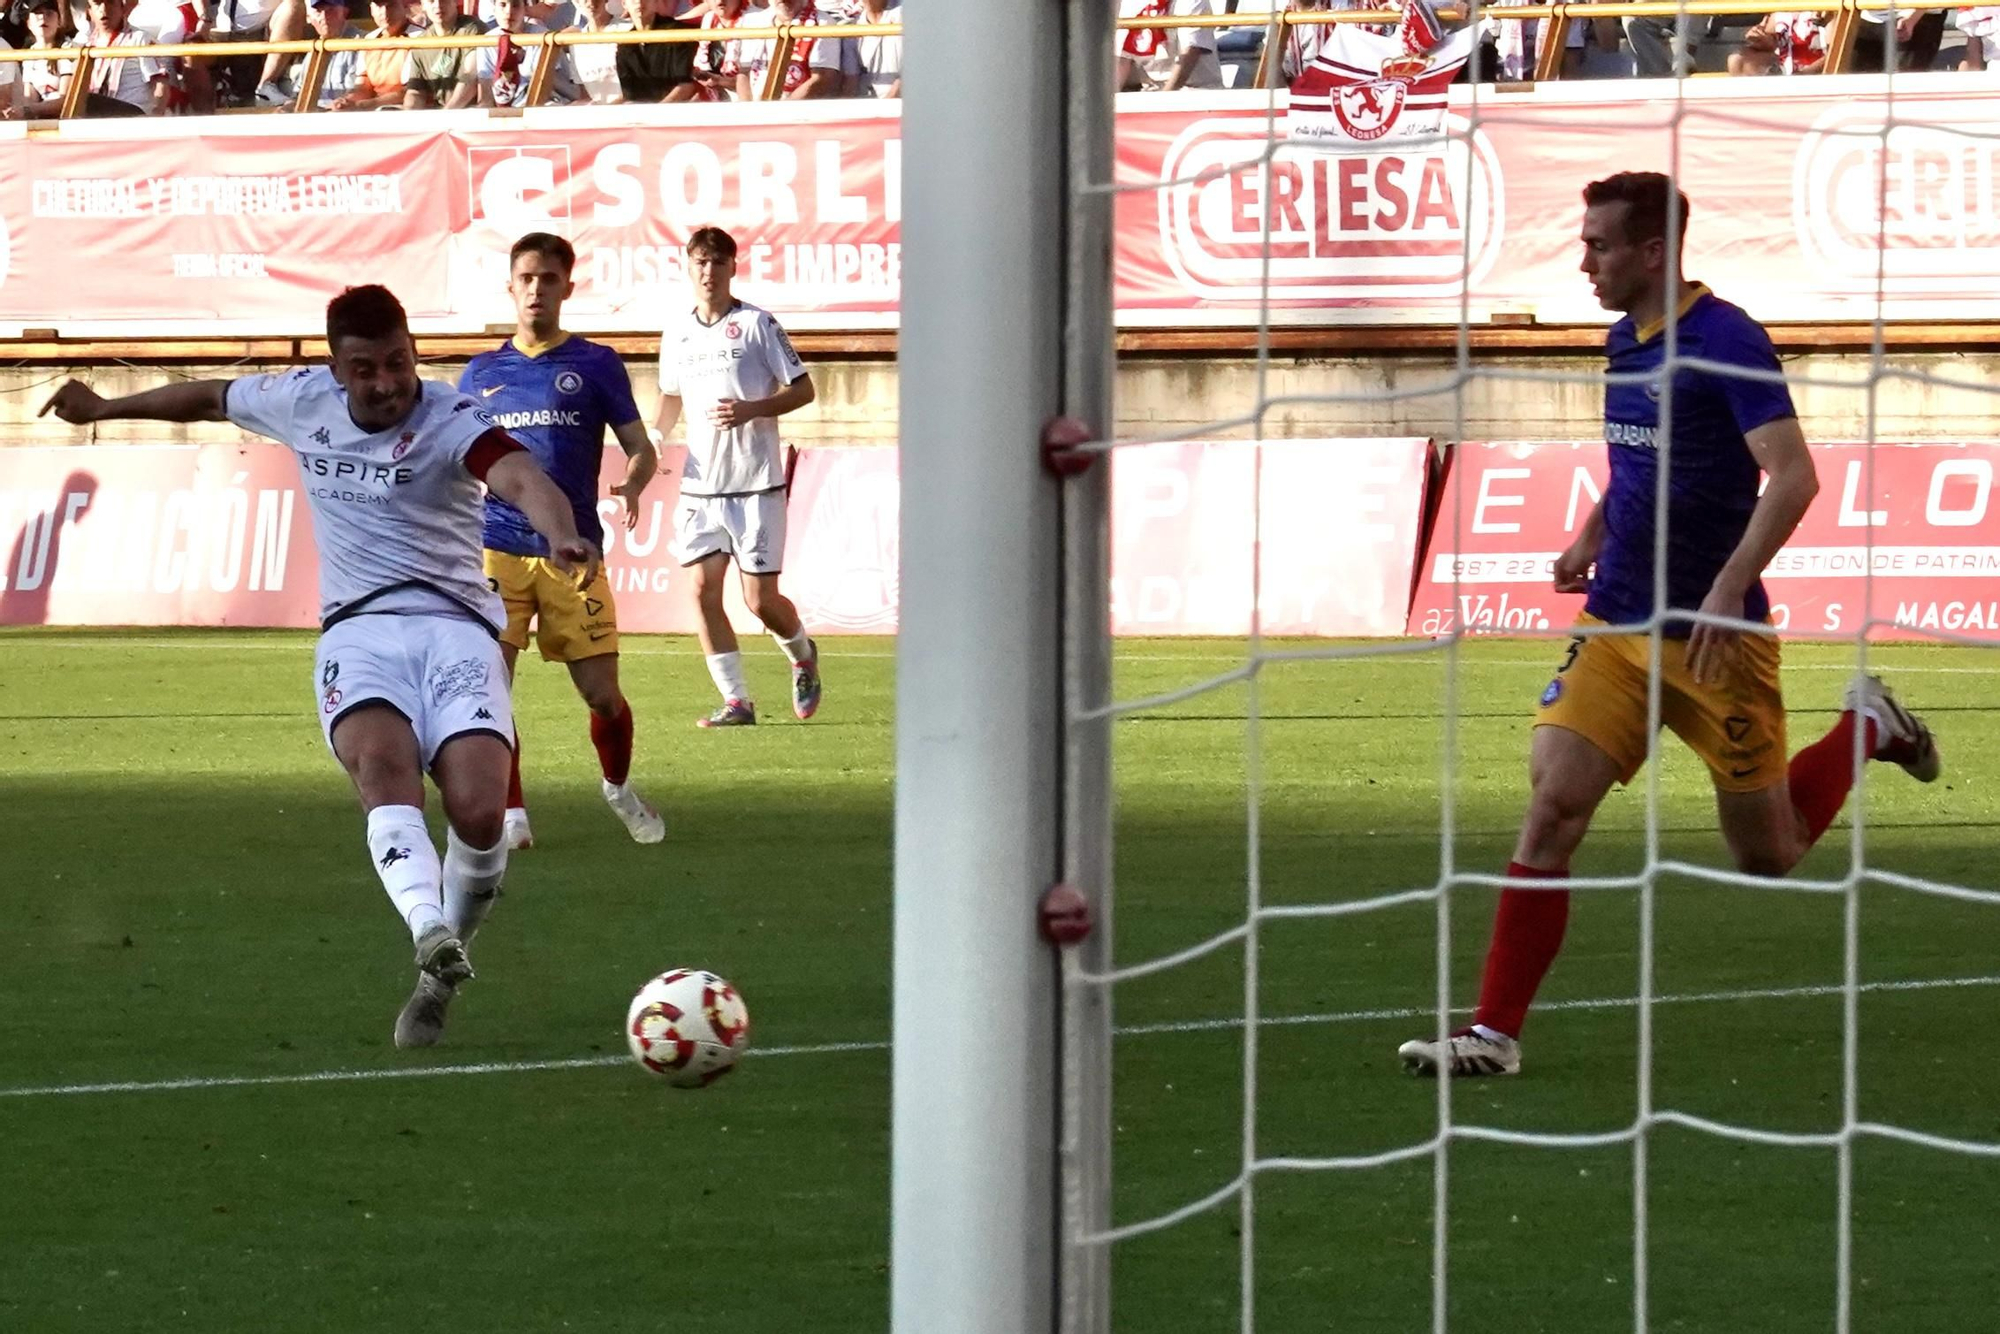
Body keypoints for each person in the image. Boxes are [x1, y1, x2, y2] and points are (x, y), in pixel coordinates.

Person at [1397, 172, 1941, 1078]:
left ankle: (1867, 726)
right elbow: (1640, 465)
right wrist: (1588, 534)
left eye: (1600, 245)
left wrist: (1732, 586)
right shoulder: (1624, 342)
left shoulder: (1727, 340)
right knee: (1551, 809)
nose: (1585, 262)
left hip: (1715, 638)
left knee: (1766, 854)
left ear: (1655, 252)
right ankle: (1491, 1035)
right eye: (1584, 243)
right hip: (1618, 622)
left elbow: (1796, 476)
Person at [38, 284, 600, 1050]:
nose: (386, 383)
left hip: (457, 629)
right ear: (337, 369)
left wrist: (559, 532)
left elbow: (521, 478)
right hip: (359, 631)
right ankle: (427, 926)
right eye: (365, 369)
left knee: (477, 810)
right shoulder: (298, 400)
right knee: (382, 769)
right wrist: (105, 409)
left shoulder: (452, 417)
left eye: (398, 363)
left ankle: (437, 978)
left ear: (412, 353)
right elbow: (207, 396)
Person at [459, 232, 665, 852]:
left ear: (567, 288)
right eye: (526, 277)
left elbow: (641, 449)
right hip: (496, 547)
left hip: (572, 552)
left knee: (602, 697)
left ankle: (618, 788)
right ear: (511, 285)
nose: (536, 289)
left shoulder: (596, 364)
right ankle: (513, 812)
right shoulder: (481, 372)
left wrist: (630, 485)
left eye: (549, 278)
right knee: (490, 688)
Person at [657, 225, 821, 728]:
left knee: (759, 600)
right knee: (702, 591)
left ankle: (801, 653)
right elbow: (668, 397)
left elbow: (804, 389)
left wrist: (752, 409)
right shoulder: (676, 332)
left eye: (718, 262)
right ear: (688, 266)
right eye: (701, 262)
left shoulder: (756, 325)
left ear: (733, 267)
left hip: (755, 483)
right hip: (700, 486)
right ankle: (737, 702)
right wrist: (653, 445)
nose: (709, 272)